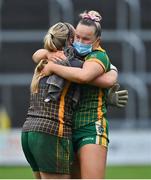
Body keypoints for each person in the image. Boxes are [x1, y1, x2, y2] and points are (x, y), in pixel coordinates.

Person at [21, 22, 121, 179]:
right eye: (77, 37)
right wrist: (113, 70)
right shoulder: (70, 62)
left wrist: (48, 59)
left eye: (85, 38)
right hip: (52, 130)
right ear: (69, 41)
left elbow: (37, 54)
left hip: (30, 130)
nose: (80, 42)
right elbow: (89, 77)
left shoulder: (46, 59)